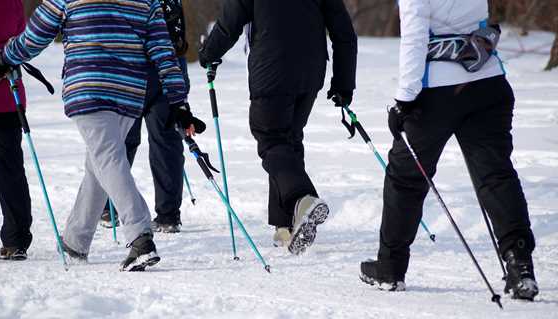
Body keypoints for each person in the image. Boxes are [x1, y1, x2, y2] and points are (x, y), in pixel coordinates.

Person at [0, 0, 199, 271]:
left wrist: (3, 58)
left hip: (88, 88)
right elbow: (163, 52)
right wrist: (178, 101)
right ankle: (76, 241)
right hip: (129, 94)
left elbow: (35, 36)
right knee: (101, 162)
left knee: (107, 160)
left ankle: (139, 235)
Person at [360, 0, 539, 301]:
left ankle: (390, 267)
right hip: (488, 80)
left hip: (437, 90)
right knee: (496, 176)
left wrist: (404, 100)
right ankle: (520, 265)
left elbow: (416, 36)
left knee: (406, 177)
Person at [199, 0, 357, 254]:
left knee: (271, 139)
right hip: (310, 71)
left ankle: (302, 199)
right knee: (289, 141)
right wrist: (344, 83)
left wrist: (208, 53)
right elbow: (344, 32)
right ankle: (285, 225)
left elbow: (230, 22)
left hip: (272, 67)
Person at [99, 0, 194, 234]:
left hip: (130, 65)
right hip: (169, 62)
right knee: (165, 140)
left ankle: (110, 207)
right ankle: (168, 215)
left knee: (122, 139)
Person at [0, 0, 32, 261]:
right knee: (10, 170)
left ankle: (16, 238)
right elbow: (23, 41)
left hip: (6, 96)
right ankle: (16, 239)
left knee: (9, 170)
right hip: (6, 93)